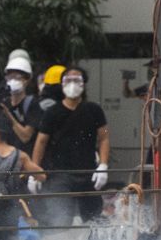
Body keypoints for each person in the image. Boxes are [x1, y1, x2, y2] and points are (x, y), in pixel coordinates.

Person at [32, 65, 110, 228]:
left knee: (93, 218)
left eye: (77, 80)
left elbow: (103, 138)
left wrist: (103, 165)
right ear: (61, 84)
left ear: (83, 84)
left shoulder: (94, 110)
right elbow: (41, 142)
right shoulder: (52, 112)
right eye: (68, 80)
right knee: (59, 218)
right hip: (59, 175)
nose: (72, 84)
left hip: (88, 172)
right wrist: (34, 171)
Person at [0, 49, 39, 155]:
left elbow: (25, 137)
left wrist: (9, 116)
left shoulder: (33, 104)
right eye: (10, 76)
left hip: (24, 161)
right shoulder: (3, 103)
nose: (13, 80)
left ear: (27, 79)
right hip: (6, 161)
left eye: (17, 77)